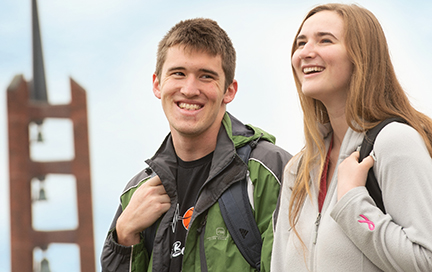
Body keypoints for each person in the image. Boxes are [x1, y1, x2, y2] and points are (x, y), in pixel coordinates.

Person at [100, 18, 292, 272]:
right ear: (158, 84)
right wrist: (124, 236)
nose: (189, 89)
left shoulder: (270, 171)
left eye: (206, 76)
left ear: (229, 91)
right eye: (178, 73)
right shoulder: (136, 193)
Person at [271, 3, 432, 271]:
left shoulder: (394, 143)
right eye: (301, 43)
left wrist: (353, 202)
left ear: (361, 56)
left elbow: (426, 260)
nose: (305, 53)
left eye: (325, 40)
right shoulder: (298, 169)